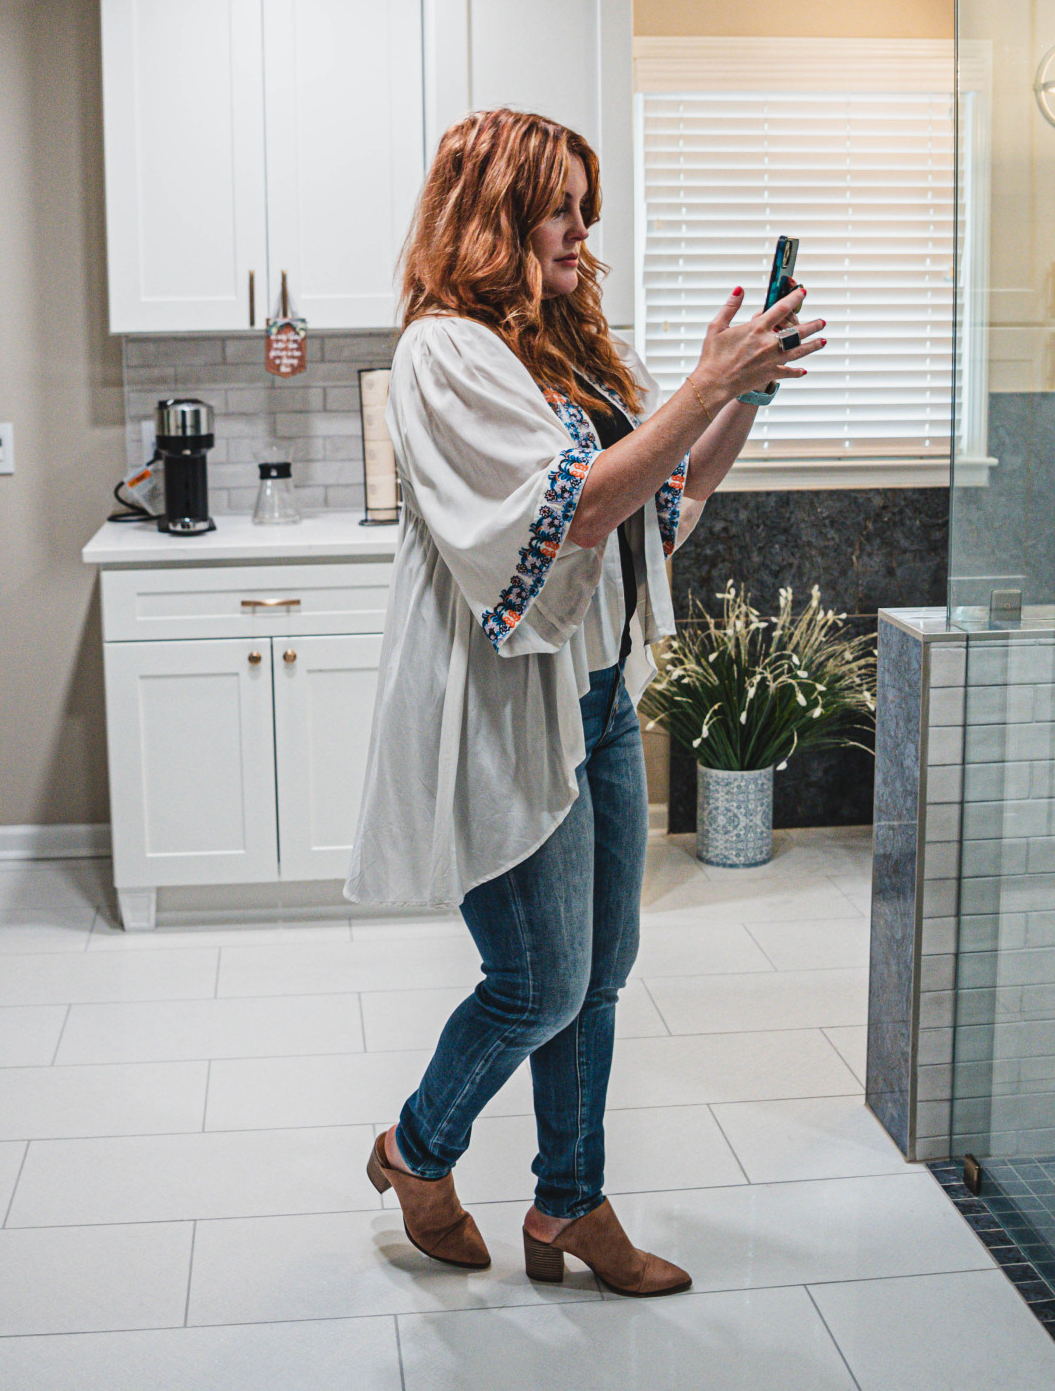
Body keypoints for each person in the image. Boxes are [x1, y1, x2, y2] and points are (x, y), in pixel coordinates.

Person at [346, 107, 825, 1295]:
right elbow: (564, 509)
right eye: (557, 207)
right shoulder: (442, 353)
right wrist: (703, 380)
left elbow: (663, 497)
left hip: (599, 695)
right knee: (537, 981)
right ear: (495, 214)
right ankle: (417, 1147)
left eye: (583, 210)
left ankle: (569, 1203)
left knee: (601, 971)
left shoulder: (573, 346)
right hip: (511, 706)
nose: (578, 232)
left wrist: (740, 396)